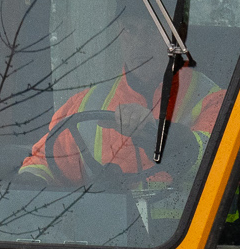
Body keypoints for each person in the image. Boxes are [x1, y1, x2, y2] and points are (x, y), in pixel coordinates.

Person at [17, 18, 226, 195]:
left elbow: (219, 159)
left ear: (174, 38)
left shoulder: (213, 98)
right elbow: (46, 161)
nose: (139, 42)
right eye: (129, 30)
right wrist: (30, 183)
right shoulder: (84, 104)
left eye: (152, 29)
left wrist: (160, 136)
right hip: (106, 239)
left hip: (189, 238)